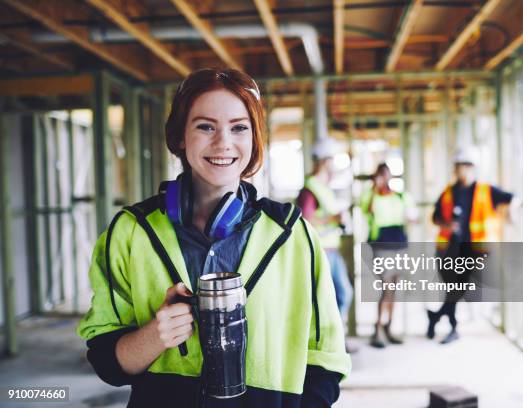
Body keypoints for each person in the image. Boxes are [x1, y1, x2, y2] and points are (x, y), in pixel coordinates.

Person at [77, 68, 350, 407]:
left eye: (239, 127)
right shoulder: (131, 231)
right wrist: (154, 336)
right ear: (180, 136)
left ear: (254, 139)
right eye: (205, 126)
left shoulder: (292, 234)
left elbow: (326, 361)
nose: (223, 143)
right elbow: (107, 363)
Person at [427, 145, 514, 344]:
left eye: (464, 165)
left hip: (473, 250)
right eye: (458, 166)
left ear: (472, 167)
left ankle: (436, 317)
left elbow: (511, 198)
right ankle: (452, 327)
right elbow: (435, 217)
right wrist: (446, 224)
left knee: (458, 289)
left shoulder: (485, 190)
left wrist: (514, 212)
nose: (460, 170)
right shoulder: (448, 193)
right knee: (453, 289)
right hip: (448, 249)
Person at [296, 138, 353, 331]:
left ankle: (336, 340)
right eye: (332, 160)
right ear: (325, 161)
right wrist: (334, 218)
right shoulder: (310, 190)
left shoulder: (323, 187)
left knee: (341, 295)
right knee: (337, 296)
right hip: (321, 252)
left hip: (330, 250)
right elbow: (304, 220)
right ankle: (331, 340)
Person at [360, 163, 417, 348]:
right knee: (386, 287)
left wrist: (412, 218)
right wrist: (375, 188)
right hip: (381, 245)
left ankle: (388, 327)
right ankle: (377, 328)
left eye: (386, 174)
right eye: (380, 175)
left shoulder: (401, 196)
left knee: (394, 288)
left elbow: (413, 217)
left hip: (399, 245)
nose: (384, 178)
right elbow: (366, 209)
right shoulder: (370, 196)